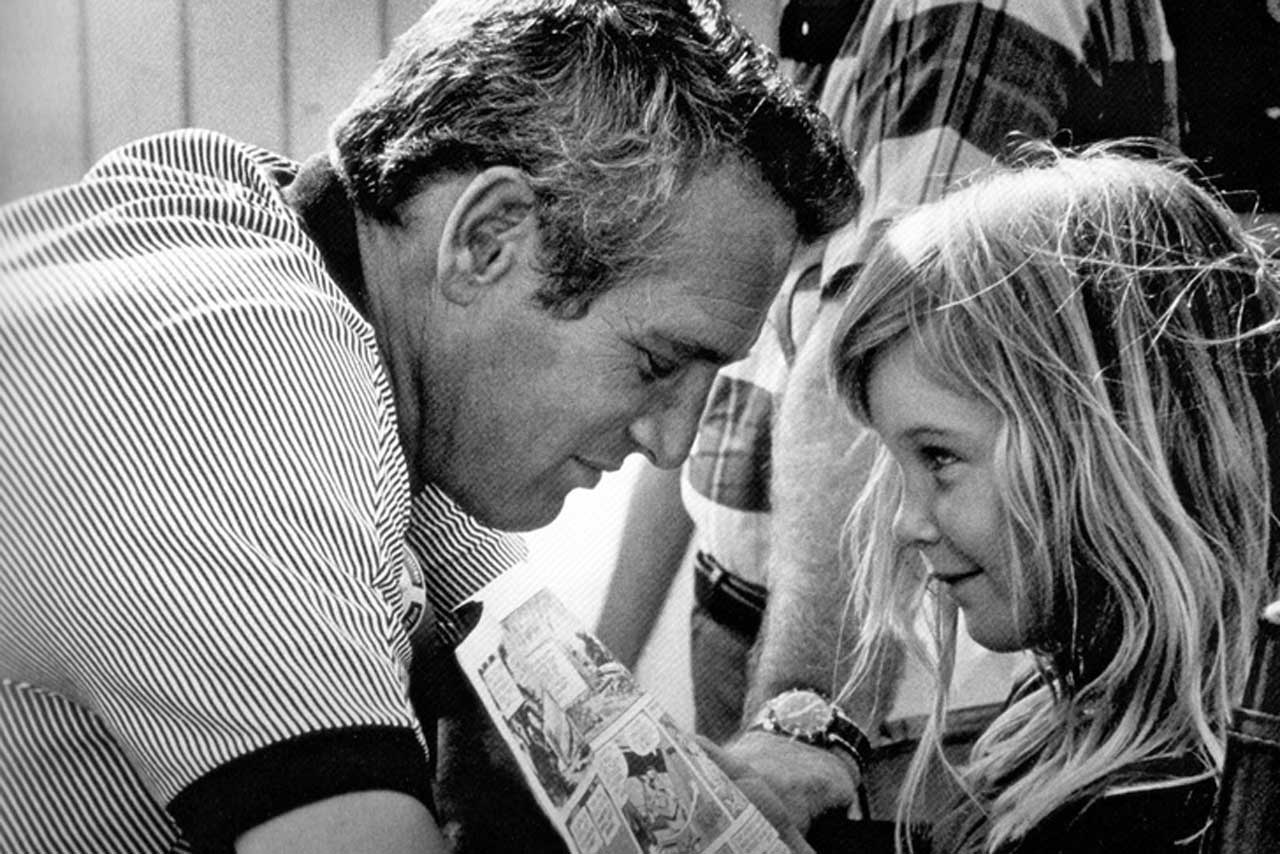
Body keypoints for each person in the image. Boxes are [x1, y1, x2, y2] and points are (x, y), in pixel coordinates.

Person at [0, 1, 859, 852]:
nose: (672, 445)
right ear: (487, 240)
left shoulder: (366, 320)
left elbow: (580, 758)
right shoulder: (220, 384)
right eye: (658, 362)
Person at [597, 0, 1179, 820]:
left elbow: (878, 331)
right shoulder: (817, 25)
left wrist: (810, 720)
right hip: (755, 614)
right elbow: (713, 375)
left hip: (897, 672)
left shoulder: (970, 12)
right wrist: (604, 669)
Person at [817, 141, 1279, 852]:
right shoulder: (1076, 696)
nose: (907, 524)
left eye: (939, 457)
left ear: (1113, 447)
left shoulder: (1147, 821)